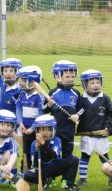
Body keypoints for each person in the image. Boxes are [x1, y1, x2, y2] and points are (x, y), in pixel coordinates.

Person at [43, 60, 82, 188]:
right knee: (53, 155)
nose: (71, 79)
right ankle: (52, 178)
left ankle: (66, 180)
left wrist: (77, 115)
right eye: (67, 76)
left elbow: (82, 109)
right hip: (54, 132)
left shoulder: (76, 93)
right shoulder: (53, 93)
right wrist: (49, 104)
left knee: (67, 156)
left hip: (69, 131)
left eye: (72, 76)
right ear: (58, 76)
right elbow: (44, 109)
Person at [76, 69, 112, 186]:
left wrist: (107, 127)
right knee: (85, 156)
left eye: (98, 82)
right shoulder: (81, 99)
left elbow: (111, 114)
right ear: (85, 85)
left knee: (104, 156)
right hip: (86, 134)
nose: (96, 85)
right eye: (92, 83)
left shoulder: (105, 98)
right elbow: (77, 113)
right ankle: (82, 178)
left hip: (101, 134)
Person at [22, 115, 82, 191]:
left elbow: (53, 156)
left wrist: (43, 144)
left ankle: (69, 185)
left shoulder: (57, 140)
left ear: (53, 130)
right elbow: (36, 164)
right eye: (41, 129)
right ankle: (46, 181)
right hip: (42, 169)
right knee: (27, 175)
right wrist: (37, 149)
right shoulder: (34, 143)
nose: (45, 132)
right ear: (37, 131)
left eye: (48, 129)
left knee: (74, 159)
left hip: (55, 167)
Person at [15, 66, 45, 178]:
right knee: (25, 153)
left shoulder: (39, 96)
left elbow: (41, 114)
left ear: (32, 81)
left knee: (37, 152)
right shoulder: (22, 93)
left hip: (36, 130)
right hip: (25, 129)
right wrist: (20, 122)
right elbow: (18, 108)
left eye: (23, 80)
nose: (21, 82)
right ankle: (24, 173)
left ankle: (38, 173)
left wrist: (32, 128)